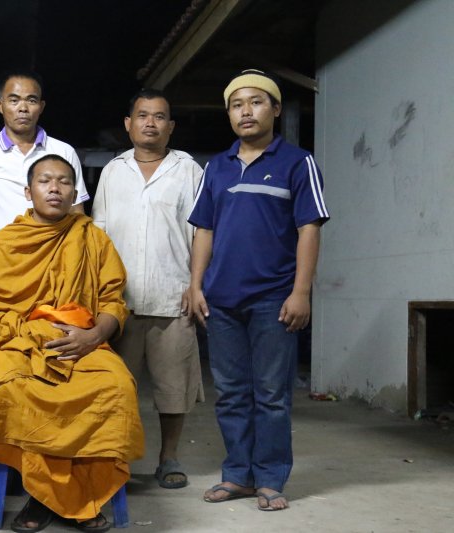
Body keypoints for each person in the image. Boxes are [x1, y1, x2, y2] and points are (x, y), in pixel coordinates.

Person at [0, 154, 145, 533]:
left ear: (75, 193)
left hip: (84, 345)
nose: (55, 188)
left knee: (116, 386)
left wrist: (94, 336)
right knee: (8, 390)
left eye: (64, 181)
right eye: (45, 181)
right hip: (22, 344)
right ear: (29, 192)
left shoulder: (92, 238)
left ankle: (56, 497)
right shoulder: (6, 241)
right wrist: (34, 332)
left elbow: (113, 302)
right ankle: (57, 498)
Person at [187, 69, 330, 511]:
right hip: (221, 301)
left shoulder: (297, 163)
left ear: (276, 109)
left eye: (256, 102)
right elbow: (204, 230)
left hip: (274, 299)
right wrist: (196, 286)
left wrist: (301, 292)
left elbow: (309, 229)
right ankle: (237, 475)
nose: (246, 111)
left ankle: (269, 478)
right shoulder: (217, 167)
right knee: (231, 394)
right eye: (236, 104)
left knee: (271, 395)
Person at [92, 88, 204, 490]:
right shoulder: (113, 171)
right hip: (118, 302)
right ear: (128, 124)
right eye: (142, 115)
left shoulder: (188, 170)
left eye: (159, 117)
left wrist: (196, 285)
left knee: (174, 388)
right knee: (115, 389)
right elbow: (98, 235)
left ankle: (168, 457)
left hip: (172, 295)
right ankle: (117, 461)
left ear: (170, 126)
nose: (150, 123)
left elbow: (202, 232)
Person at [0, 70, 89, 264]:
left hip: (50, 262)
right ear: (0, 105)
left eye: (31, 100)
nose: (23, 108)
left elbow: (76, 212)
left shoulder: (63, 152)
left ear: (41, 107)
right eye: (14, 100)